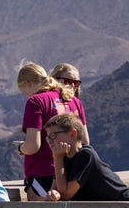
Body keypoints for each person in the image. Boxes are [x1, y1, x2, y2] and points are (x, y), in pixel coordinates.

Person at [14, 62, 86, 200]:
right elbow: (84, 141)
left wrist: (21, 148)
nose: (26, 96)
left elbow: (33, 146)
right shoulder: (73, 100)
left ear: (27, 83)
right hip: (72, 173)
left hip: (43, 173)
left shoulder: (35, 101)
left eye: (23, 91)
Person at [44, 112, 129, 201]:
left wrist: (57, 159)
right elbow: (56, 188)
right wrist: (53, 194)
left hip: (123, 204)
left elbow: (66, 193)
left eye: (53, 135)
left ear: (73, 133)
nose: (50, 141)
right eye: (48, 138)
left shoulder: (86, 155)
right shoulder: (63, 157)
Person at [50, 63, 91, 143]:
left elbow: (84, 140)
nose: (72, 85)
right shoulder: (46, 101)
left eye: (76, 83)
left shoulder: (77, 103)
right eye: (68, 81)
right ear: (55, 80)